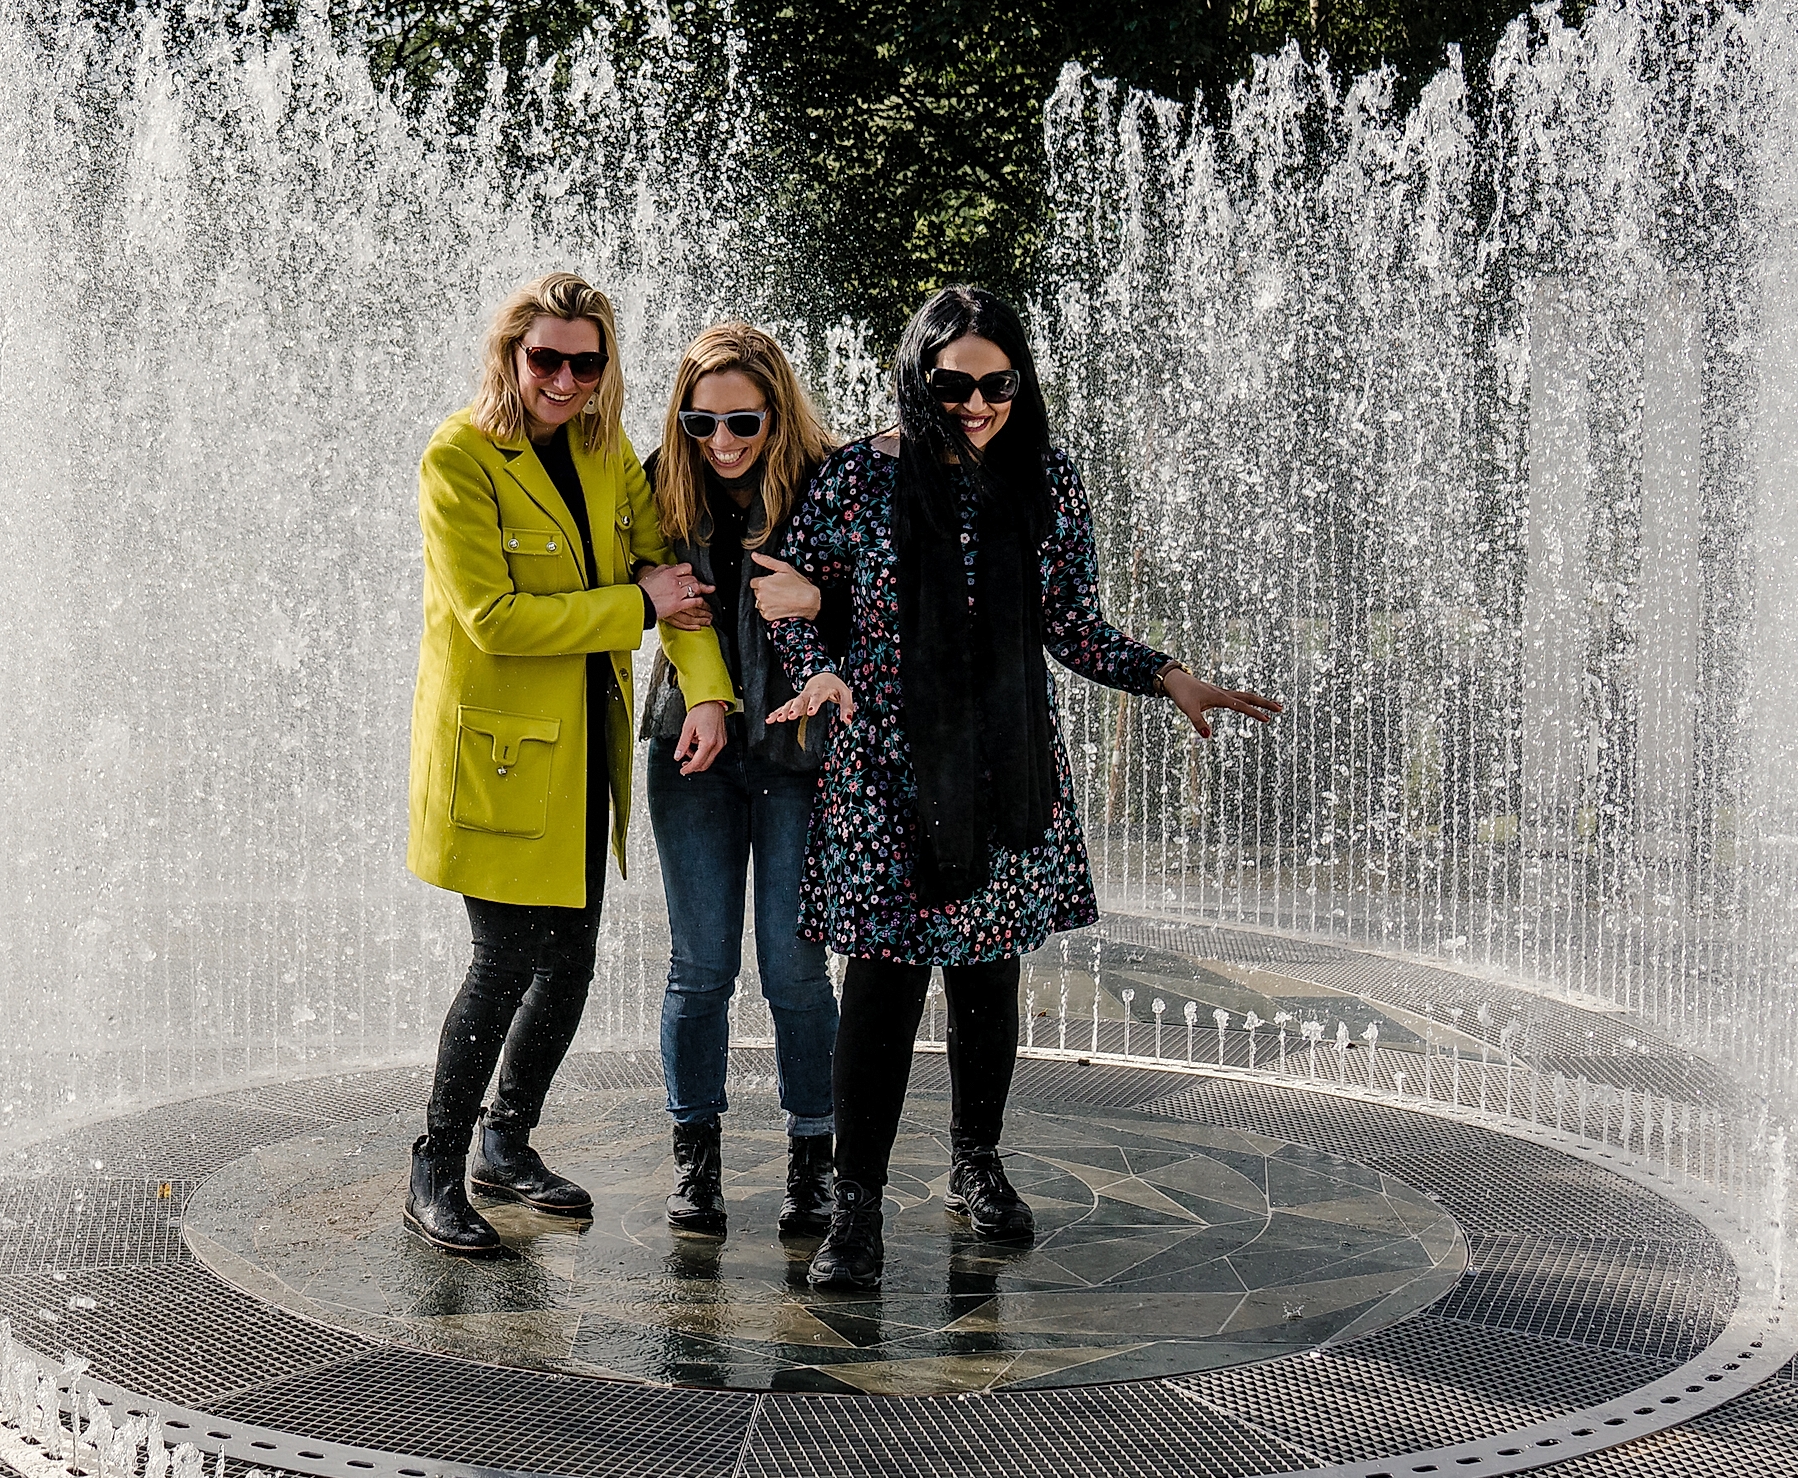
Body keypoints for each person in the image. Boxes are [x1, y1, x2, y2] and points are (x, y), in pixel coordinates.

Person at [766, 286, 1282, 1292]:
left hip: (1005, 765)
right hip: (881, 770)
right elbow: (786, 590)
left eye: (995, 382)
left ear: (1018, 381)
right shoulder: (857, 480)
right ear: (918, 375)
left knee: (987, 974)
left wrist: (1164, 672)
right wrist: (812, 663)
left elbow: (1073, 625)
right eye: (952, 382)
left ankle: (976, 1161)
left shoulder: (1042, 478)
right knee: (881, 983)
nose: (973, 402)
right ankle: (858, 1209)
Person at [402, 271, 732, 1256]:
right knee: (504, 959)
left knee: (574, 956)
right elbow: (494, 619)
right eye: (546, 357)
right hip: (497, 759)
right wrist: (636, 606)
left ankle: (507, 1141)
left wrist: (707, 689)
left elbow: (671, 571)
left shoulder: (602, 451)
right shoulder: (459, 457)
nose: (565, 379)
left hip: (583, 747)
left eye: (586, 362)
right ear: (511, 353)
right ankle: (435, 1164)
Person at [643, 322, 845, 1239]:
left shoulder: (832, 481)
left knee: (795, 968)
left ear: (779, 411)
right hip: (692, 751)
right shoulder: (656, 481)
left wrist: (823, 603)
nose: (720, 443)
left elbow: (893, 590)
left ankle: (815, 1160)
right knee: (701, 966)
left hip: (802, 755)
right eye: (700, 422)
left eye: (742, 423)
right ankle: (697, 1157)